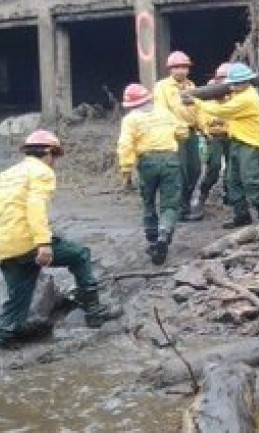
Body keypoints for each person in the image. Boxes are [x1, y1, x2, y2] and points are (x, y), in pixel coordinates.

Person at [0, 130, 121, 348]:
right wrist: (43, 244)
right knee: (79, 255)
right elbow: (35, 206)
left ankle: (6, 337)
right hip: (29, 242)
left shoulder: (7, 175)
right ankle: (95, 312)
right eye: (55, 156)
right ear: (48, 153)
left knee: (16, 304)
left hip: (6, 248)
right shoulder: (42, 172)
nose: (55, 161)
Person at [186, 62, 259, 229]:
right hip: (237, 141)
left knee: (250, 180)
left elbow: (222, 111)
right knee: (232, 180)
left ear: (244, 82)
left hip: (250, 145)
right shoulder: (239, 94)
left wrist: (196, 101)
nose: (231, 86)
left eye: (234, 83)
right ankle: (241, 215)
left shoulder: (247, 98)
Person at [117, 83, 187, 265]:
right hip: (170, 159)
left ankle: (152, 239)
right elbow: (182, 132)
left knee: (148, 201)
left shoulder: (130, 120)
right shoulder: (165, 113)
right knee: (170, 203)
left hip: (147, 162)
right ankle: (164, 234)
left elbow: (125, 146)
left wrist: (126, 172)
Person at [154, 50, 202, 222]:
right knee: (179, 170)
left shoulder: (191, 86)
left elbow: (198, 109)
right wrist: (176, 127)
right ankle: (180, 207)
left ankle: (186, 201)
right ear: (170, 69)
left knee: (195, 169)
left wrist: (202, 127)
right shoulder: (162, 87)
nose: (181, 70)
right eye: (177, 67)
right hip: (173, 134)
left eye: (184, 67)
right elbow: (161, 111)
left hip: (191, 132)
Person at [190, 63, 233, 221]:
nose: (222, 81)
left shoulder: (235, 93)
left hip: (232, 135)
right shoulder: (207, 94)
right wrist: (205, 130)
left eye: (225, 77)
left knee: (233, 167)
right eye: (220, 77)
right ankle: (201, 196)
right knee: (213, 167)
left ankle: (231, 196)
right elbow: (200, 114)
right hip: (213, 136)